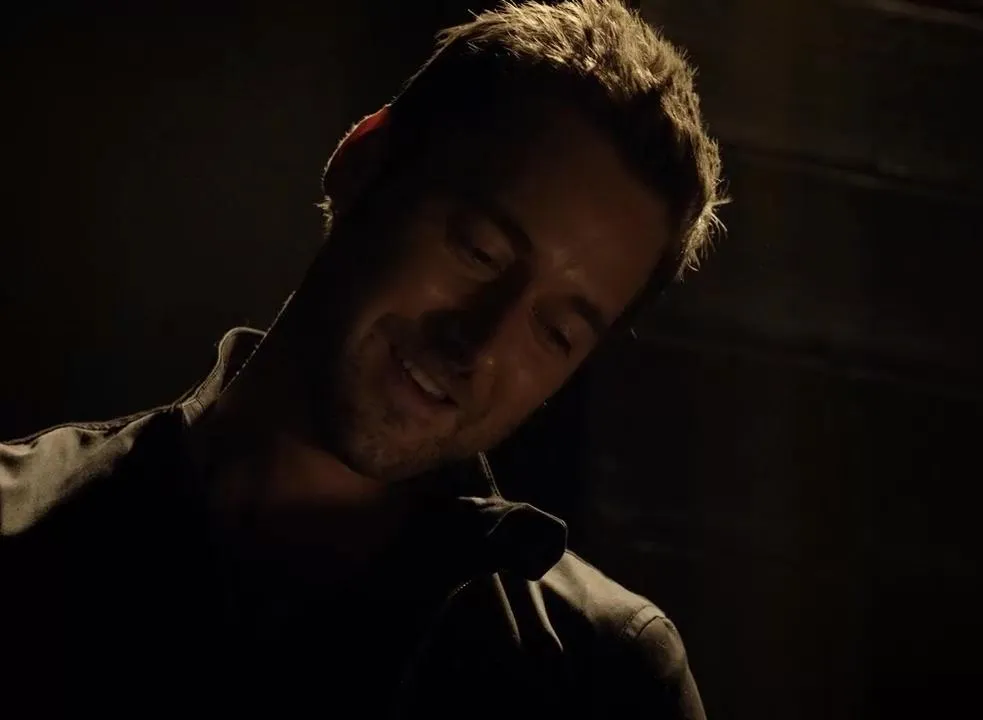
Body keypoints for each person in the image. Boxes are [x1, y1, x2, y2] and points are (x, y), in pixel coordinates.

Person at [0, 1, 726, 717]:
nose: (477, 345)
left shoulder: (603, 679)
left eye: (556, 332)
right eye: (479, 251)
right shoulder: (18, 520)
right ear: (363, 162)